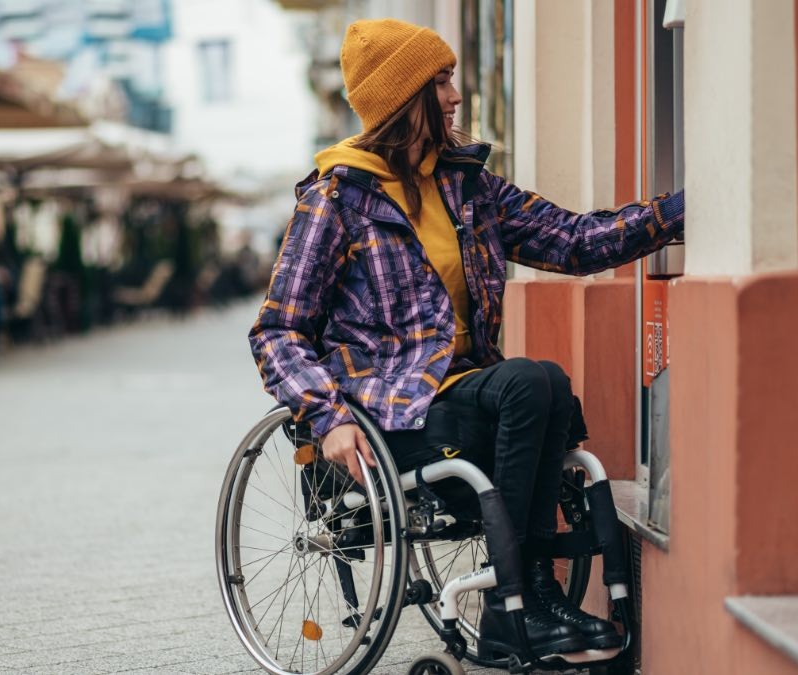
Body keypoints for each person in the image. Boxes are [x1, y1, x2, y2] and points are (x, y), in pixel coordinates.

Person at [248, 18, 684, 659]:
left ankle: (530, 599)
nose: (455, 97)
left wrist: (680, 210)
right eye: (441, 82)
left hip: (464, 398)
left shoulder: (465, 185)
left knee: (544, 386)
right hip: (388, 417)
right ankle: (517, 607)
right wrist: (327, 415)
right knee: (529, 383)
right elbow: (277, 330)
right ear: (405, 100)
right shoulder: (336, 201)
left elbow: (571, 240)